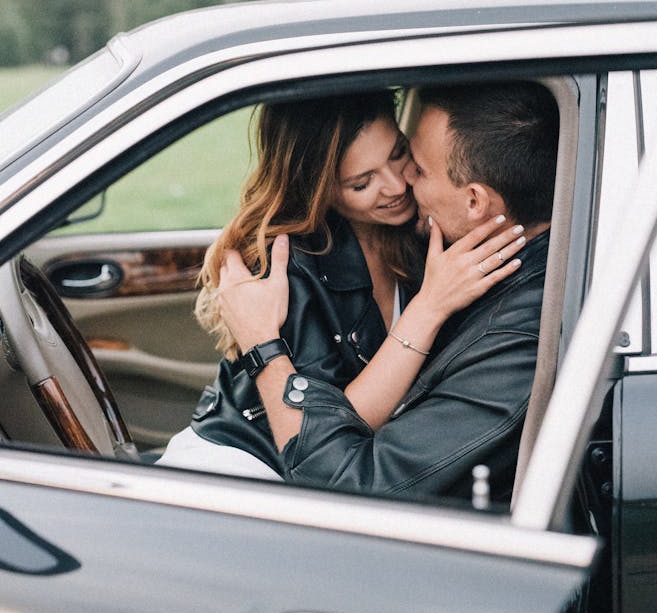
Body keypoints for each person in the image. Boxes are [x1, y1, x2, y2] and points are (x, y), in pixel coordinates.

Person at [216, 80, 559, 503]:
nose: (401, 184)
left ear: (474, 201)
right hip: (249, 471)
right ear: (324, 188)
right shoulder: (292, 266)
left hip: (321, 486)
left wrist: (262, 347)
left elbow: (343, 478)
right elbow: (331, 432)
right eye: (362, 182)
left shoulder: (499, 312)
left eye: (406, 158)